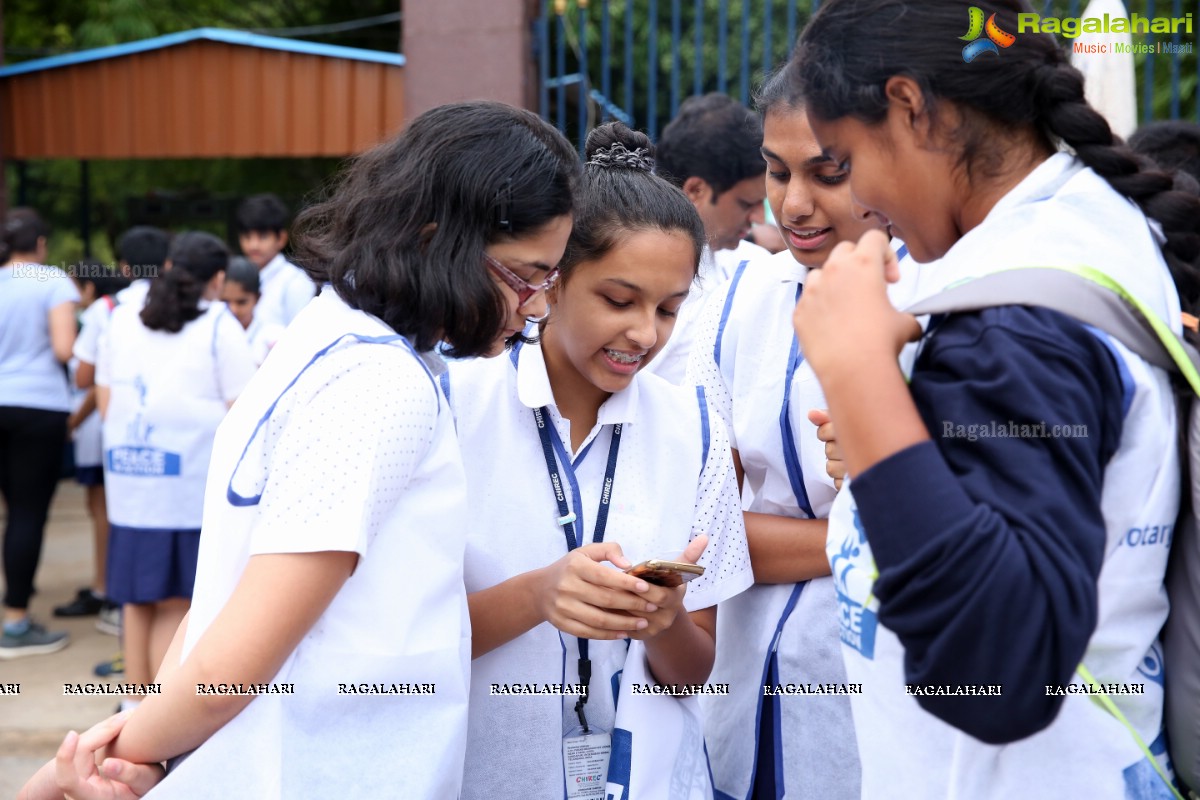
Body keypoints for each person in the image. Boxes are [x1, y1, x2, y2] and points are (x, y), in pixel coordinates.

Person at [20, 100, 581, 800]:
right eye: (525, 275)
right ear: (438, 238)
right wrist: (101, 760)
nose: (536, 306)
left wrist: (145, 738)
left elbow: (224, 596)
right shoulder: (380, 384)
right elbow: (241, 656)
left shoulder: (326, 332)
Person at [789, 0, 1200, 797]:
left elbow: (1000, 671)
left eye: (840, 163)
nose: (861, 201)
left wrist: (858, 373)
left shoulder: (1022, 318)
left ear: (910, 107)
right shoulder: (1084, 230)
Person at [448, 121, 753, 799]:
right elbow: (397, 639)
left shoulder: (694, 428)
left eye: (669, 309)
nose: (644, 334)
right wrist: (537, 596)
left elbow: (696, 670)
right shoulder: (454, 408)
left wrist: (665, 623)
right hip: (487, 776)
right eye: (618, 300)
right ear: (549, 282)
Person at [686, 59, 914, 799]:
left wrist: (777, 539)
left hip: (880, 690)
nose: (795, 204)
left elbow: (942, 533)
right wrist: (849, 540)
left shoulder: (937, 306)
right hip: (739, 686)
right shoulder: (734, 302)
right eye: (776, 174)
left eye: (827, 172)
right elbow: (697, 522)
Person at [97, 231, 257, 714]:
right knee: (173, 600)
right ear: (219, 278)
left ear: (166, 265)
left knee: (135, 598)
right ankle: (155, 714)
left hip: (128, 479)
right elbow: (243, 409)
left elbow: (105, 398)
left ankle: (131, 705)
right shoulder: (218, 325)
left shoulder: (122, 316)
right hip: (188, 482)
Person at [648, 92, 770, 383]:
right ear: (696, 191)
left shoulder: (754, 268)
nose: (759, 220)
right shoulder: (633, 267)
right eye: (746, 203)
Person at [0, 208, 78, 658]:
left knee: (11, 512)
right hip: (38, 408)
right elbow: (65, 347)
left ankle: (13, 603)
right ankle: (15, 623)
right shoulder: (51, 281)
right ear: (41, 244)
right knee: (27, 514)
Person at [53, 263, 131, 630]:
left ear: (89, 288)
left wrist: (74, 420)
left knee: (104, 511)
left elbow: (90, 379)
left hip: (99, 431)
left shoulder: (103, 312)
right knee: (102, 509)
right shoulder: (123, 309)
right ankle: (108, 588)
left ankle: (107, 590)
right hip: (110, 430)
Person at [235, 193, 315, 329]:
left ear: (281, 239)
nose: (253, 245)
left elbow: (301, 335)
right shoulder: (234, 278)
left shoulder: (296, 282)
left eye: (263, 236)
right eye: (247, 236)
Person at [220, 256, 284, 365]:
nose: (233, 309)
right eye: (225, 301)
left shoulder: (274, 338)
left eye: (241, 302)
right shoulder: (208, 338)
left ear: (257, 298)